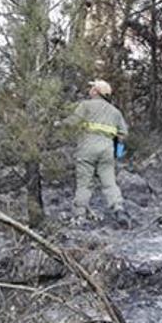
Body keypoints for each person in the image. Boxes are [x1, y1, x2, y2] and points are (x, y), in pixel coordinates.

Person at [65, 79, 131, 227]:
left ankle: (79, 216)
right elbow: (123, 135)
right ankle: (119, 209)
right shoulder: (115, 112)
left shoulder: (85, 105)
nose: (90, 90)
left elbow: (72, 122)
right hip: (107, 151)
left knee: (84, 184)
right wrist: (118, 153)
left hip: (87, 149)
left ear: (96, 91)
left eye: (92, 88)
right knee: (109, 183)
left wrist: (57, 123)